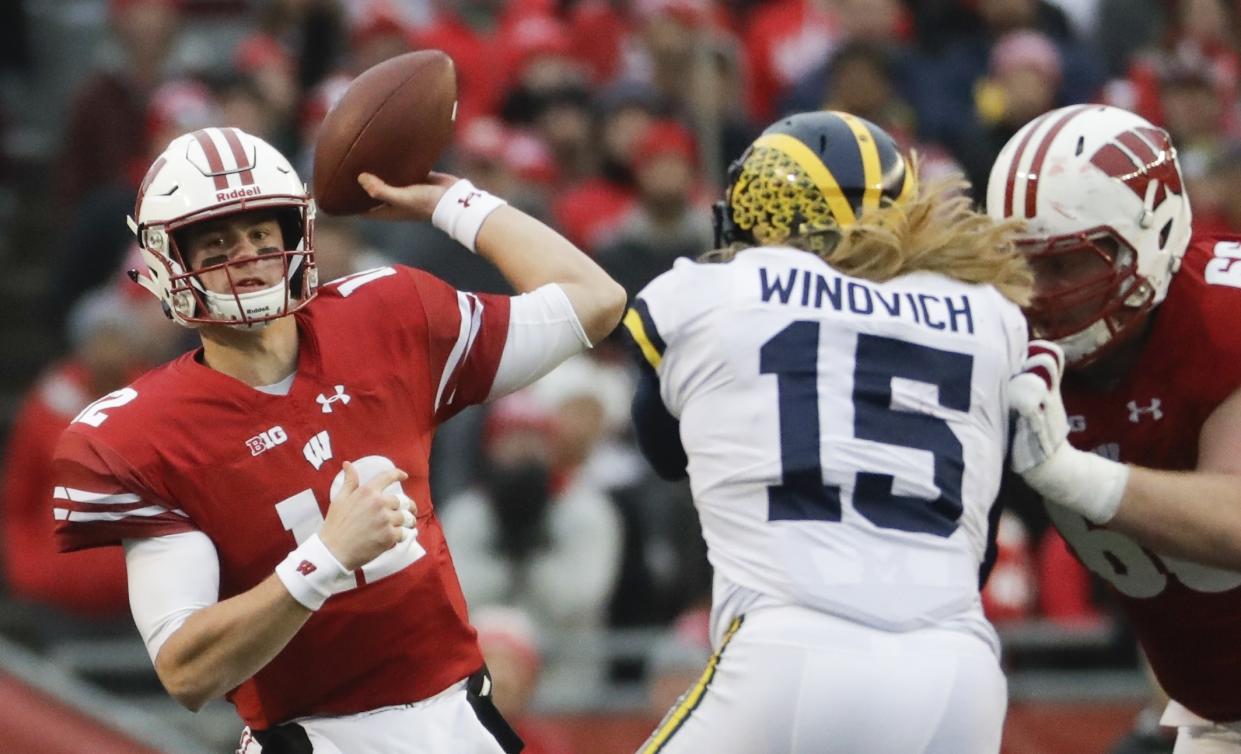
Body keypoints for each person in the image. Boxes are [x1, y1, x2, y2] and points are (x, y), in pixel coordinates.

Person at [48, 126, 625, 753]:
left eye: (262, 234)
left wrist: (454, 205)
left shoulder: (383, 316)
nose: (246, 257)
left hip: (461, 720)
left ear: (296, 235)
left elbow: (595, 299)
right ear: (167, 263)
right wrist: (323, 558)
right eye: (215, 243)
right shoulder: (144, 432)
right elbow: (187, 669)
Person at [623, 110, 1034, 754]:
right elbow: (978, 534)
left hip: (792, 650)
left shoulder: (712, 294)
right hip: (958, 670)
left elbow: (664, 451)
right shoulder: (990, 312)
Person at [988, 103, 1241, 752]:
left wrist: (1069, 473)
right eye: (1019, 264)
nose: (1037, 292)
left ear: (1152, 234)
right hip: (1214, 712)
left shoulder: (1219, 316)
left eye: (1065, 263)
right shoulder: (1003, 347)